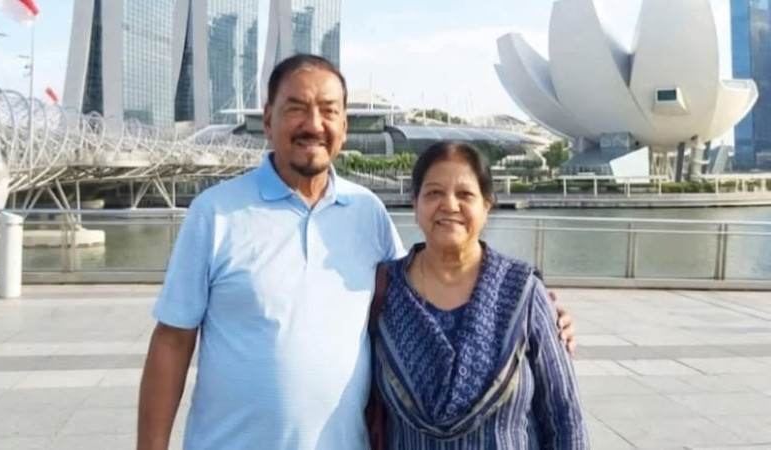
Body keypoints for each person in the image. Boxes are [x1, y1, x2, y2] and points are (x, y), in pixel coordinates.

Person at [137, 54, 576, 450]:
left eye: (329, 110)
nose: (314, 124)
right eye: (296, 108)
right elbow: (172, 341)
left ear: (344, 127)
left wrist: (533, 312)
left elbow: (422, 287)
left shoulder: (367, 212)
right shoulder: (215, 213)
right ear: (268, 120)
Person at [369, 142, 588, 449]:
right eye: (434, 193)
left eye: (465, 194)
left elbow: (564, 417)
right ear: (415, 204)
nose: (449, 205)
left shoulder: (521, 293)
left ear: (487, 206)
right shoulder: (384, 292)